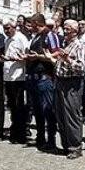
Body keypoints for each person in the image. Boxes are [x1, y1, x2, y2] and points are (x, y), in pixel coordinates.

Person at [53, 19, 85, 158]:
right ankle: (66, 144)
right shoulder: (65, 44)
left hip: (72, 83)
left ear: (74, 31)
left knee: (72, 115)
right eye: (64, 29)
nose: (64, 31)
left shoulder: (80, 45)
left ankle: (75, 146)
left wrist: (68, 60)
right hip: (60, 81)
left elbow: (80, 67)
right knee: (61, 114)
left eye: (67, 29)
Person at [24, 13, 60, 150]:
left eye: (32, 24)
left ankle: (51, 140)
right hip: (34, 77)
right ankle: (40, 138)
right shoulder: (36, 37)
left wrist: (38, 56)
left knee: (48, 110)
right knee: (38, 110)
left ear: (37, 23)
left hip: (45, 77)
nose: (30, 27)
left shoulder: (49, 35)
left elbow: (56, 53)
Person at [2, 19, 30, 143]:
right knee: (12, 105)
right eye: (5, 28)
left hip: (19, 76)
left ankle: (22, 131)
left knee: (19, 105)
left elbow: (27, 56)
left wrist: (17, 58)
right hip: (8, 75)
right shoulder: (7, 39)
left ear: (14, 27)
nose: (6, 31)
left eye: (8, 28)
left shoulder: (21, 38)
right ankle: (15, 129)